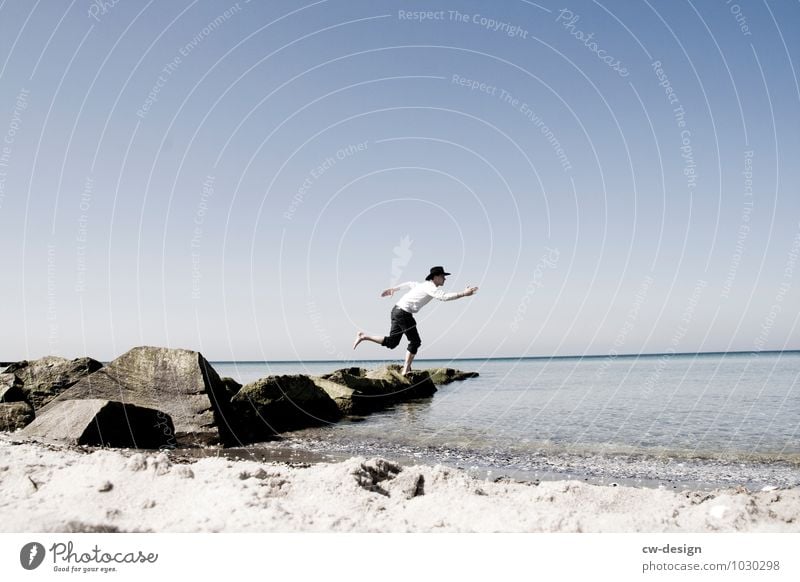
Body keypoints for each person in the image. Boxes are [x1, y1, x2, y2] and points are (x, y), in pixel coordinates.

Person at [352, 266, 478, 375]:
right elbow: (443, 297)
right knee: (415, 341)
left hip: (396, 310)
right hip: (403, 313)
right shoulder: (430, 287)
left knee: (392, 343)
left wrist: (394, 289)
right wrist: (463, 293)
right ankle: (406, 370)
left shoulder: (422, 285)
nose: (445, 279)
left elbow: (409, 283)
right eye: (443, 276)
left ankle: (364, 336)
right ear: (435, 277)